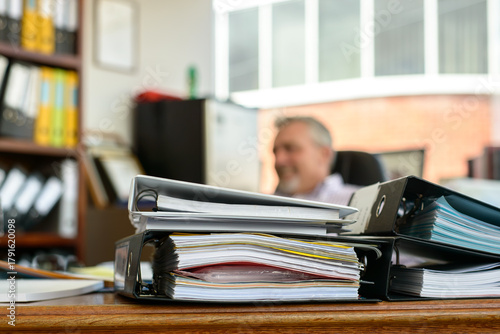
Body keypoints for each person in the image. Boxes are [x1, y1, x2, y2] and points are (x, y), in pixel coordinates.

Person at [272, 116, 359, 205]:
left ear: (324, 154)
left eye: (291, 148)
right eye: (275, 152)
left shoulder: (361, 203)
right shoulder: (264, 204)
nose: (279, 161)